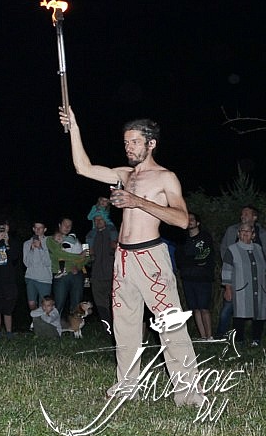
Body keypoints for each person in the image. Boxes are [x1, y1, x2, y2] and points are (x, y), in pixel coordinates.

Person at [60, 107, 203, 406]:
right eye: (126, 142)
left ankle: (189, 394)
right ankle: (126, 388)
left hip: (151, 257)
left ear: (151, 143)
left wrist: (137, 201)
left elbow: (181, 220)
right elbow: (83, 168)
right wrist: (74, 128)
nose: (129, 147)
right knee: (124, 328)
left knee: (170, 325)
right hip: (123, 259)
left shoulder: (166, 177)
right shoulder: (124, 175)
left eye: (135, 142)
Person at [217, 207, 265, 336]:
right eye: (242, 213)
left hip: (257, 283)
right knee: (231, 309)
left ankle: (256, 339)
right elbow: (225, 252)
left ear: (254, 217)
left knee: (258, 309)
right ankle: (221, 335)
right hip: (237, 280)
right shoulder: (232, 231)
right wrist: (229, 281)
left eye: (246, 213)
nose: (242, 215)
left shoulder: (261, 235)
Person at [178, 213, 216, 340]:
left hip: (203, 277)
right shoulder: (183, 239)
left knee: (204, 307)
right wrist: (193, 260)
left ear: (198, 222)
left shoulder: (205, 237)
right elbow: (180, 258)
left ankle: (209, 336)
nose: (189, 221)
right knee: (195, 308)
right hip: (188, 277)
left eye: (192, 219)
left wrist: (191, 260)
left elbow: (205, 255)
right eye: (187, 219)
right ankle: (203, 336)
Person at [46, 218, 88, 316]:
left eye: (70, 225)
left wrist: (78, 266)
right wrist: (79, 256)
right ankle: (54, 324)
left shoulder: (76, 240)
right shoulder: (51, 239)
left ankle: (75, 325)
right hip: (60, 275)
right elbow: (59, 254)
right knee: (59, 303)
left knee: (77, 304)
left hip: (77, 274)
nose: (67, 227)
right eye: (65, 224)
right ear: (59, 225)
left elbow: (87, 256)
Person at [22, 222, 53, 313]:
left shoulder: (50, 242)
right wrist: (32, 250)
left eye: (40, 228)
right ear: (33, 229)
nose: (38, 230)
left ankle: (43, 321)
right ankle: (35, 320)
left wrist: (40, 248)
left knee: (45, 306)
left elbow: (48, 262)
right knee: (31, 304)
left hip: (44, 279)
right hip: (30, 277)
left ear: (45, 229)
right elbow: (27, 263)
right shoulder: (27, 243)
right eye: (36, 227)